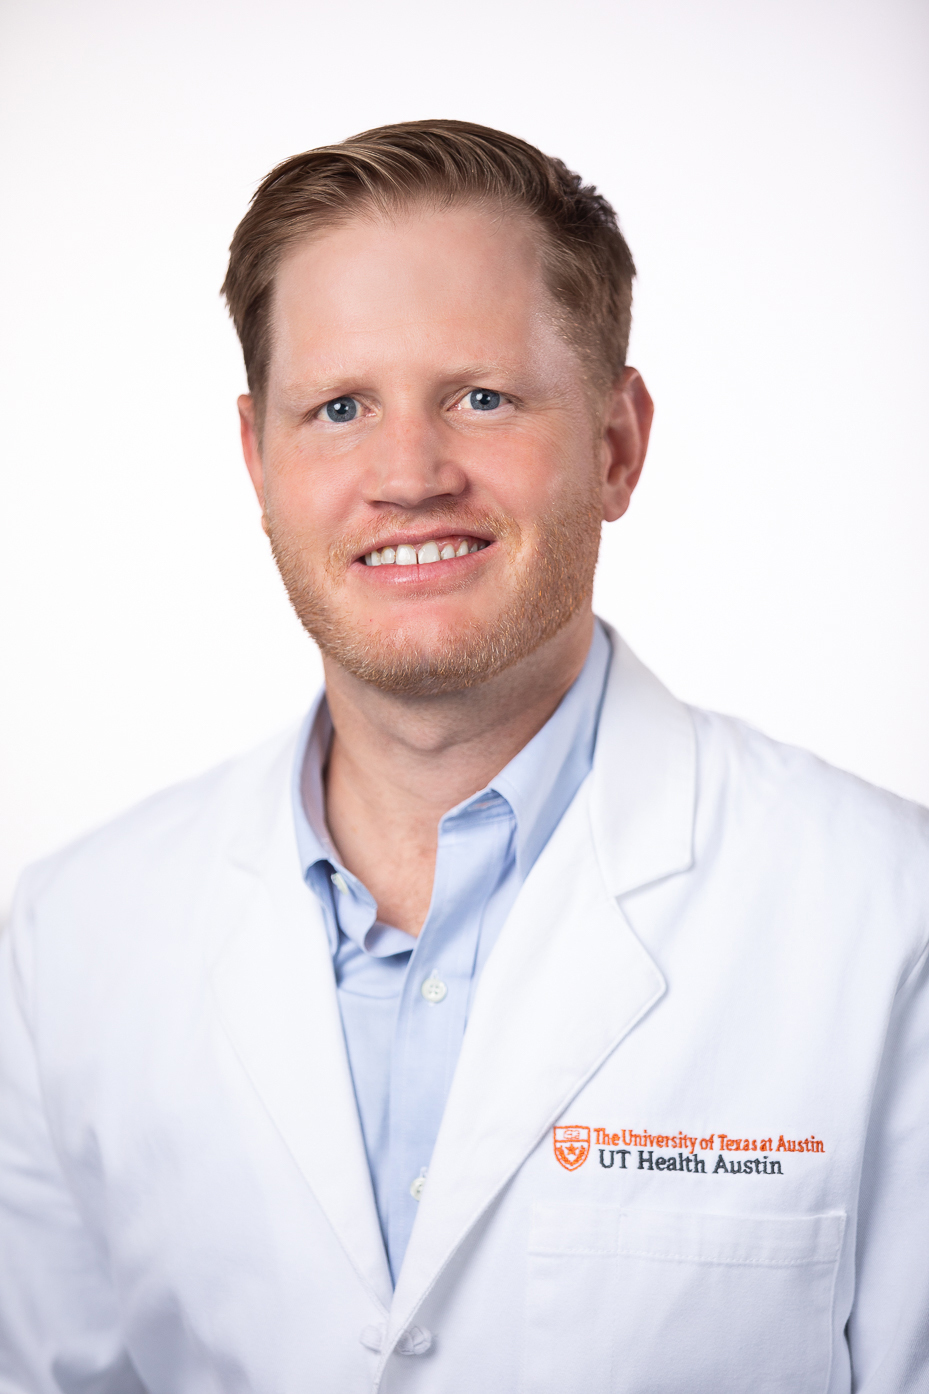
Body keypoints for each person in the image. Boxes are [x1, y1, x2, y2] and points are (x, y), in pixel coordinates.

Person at [0, 119, 926, 1394]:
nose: (407, 475)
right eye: (337, 408)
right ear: (257, 459)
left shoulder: (885, 917)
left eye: (480, 397)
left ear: (615, 444)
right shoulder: (68, 940)